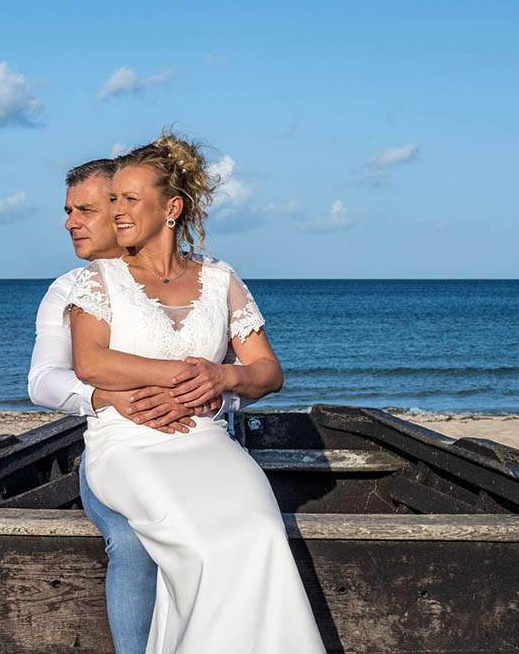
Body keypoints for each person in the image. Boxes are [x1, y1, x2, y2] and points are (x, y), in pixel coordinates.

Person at [67, 133, 326, 653]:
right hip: (131, 443)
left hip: (208, 441)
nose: (116, 211)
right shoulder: (100, 280)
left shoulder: (220, 280)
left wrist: (223, 377)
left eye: (128, 199)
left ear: (172, 208)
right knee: (203, 548)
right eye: (112, 199)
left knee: (260, 536)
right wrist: (181, 378)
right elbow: (90, 363)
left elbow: (268, 372)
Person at [28, 157, 257, 653]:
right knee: (134, 541)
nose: (72, 222)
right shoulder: (73, 287)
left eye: (90, 208)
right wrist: (108, 396)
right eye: (71, 211)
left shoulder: (212, 280)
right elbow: (45, 381)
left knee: (237, 531)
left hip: (203, 443)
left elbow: (250, 370)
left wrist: (212, 389)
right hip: (122, 448)